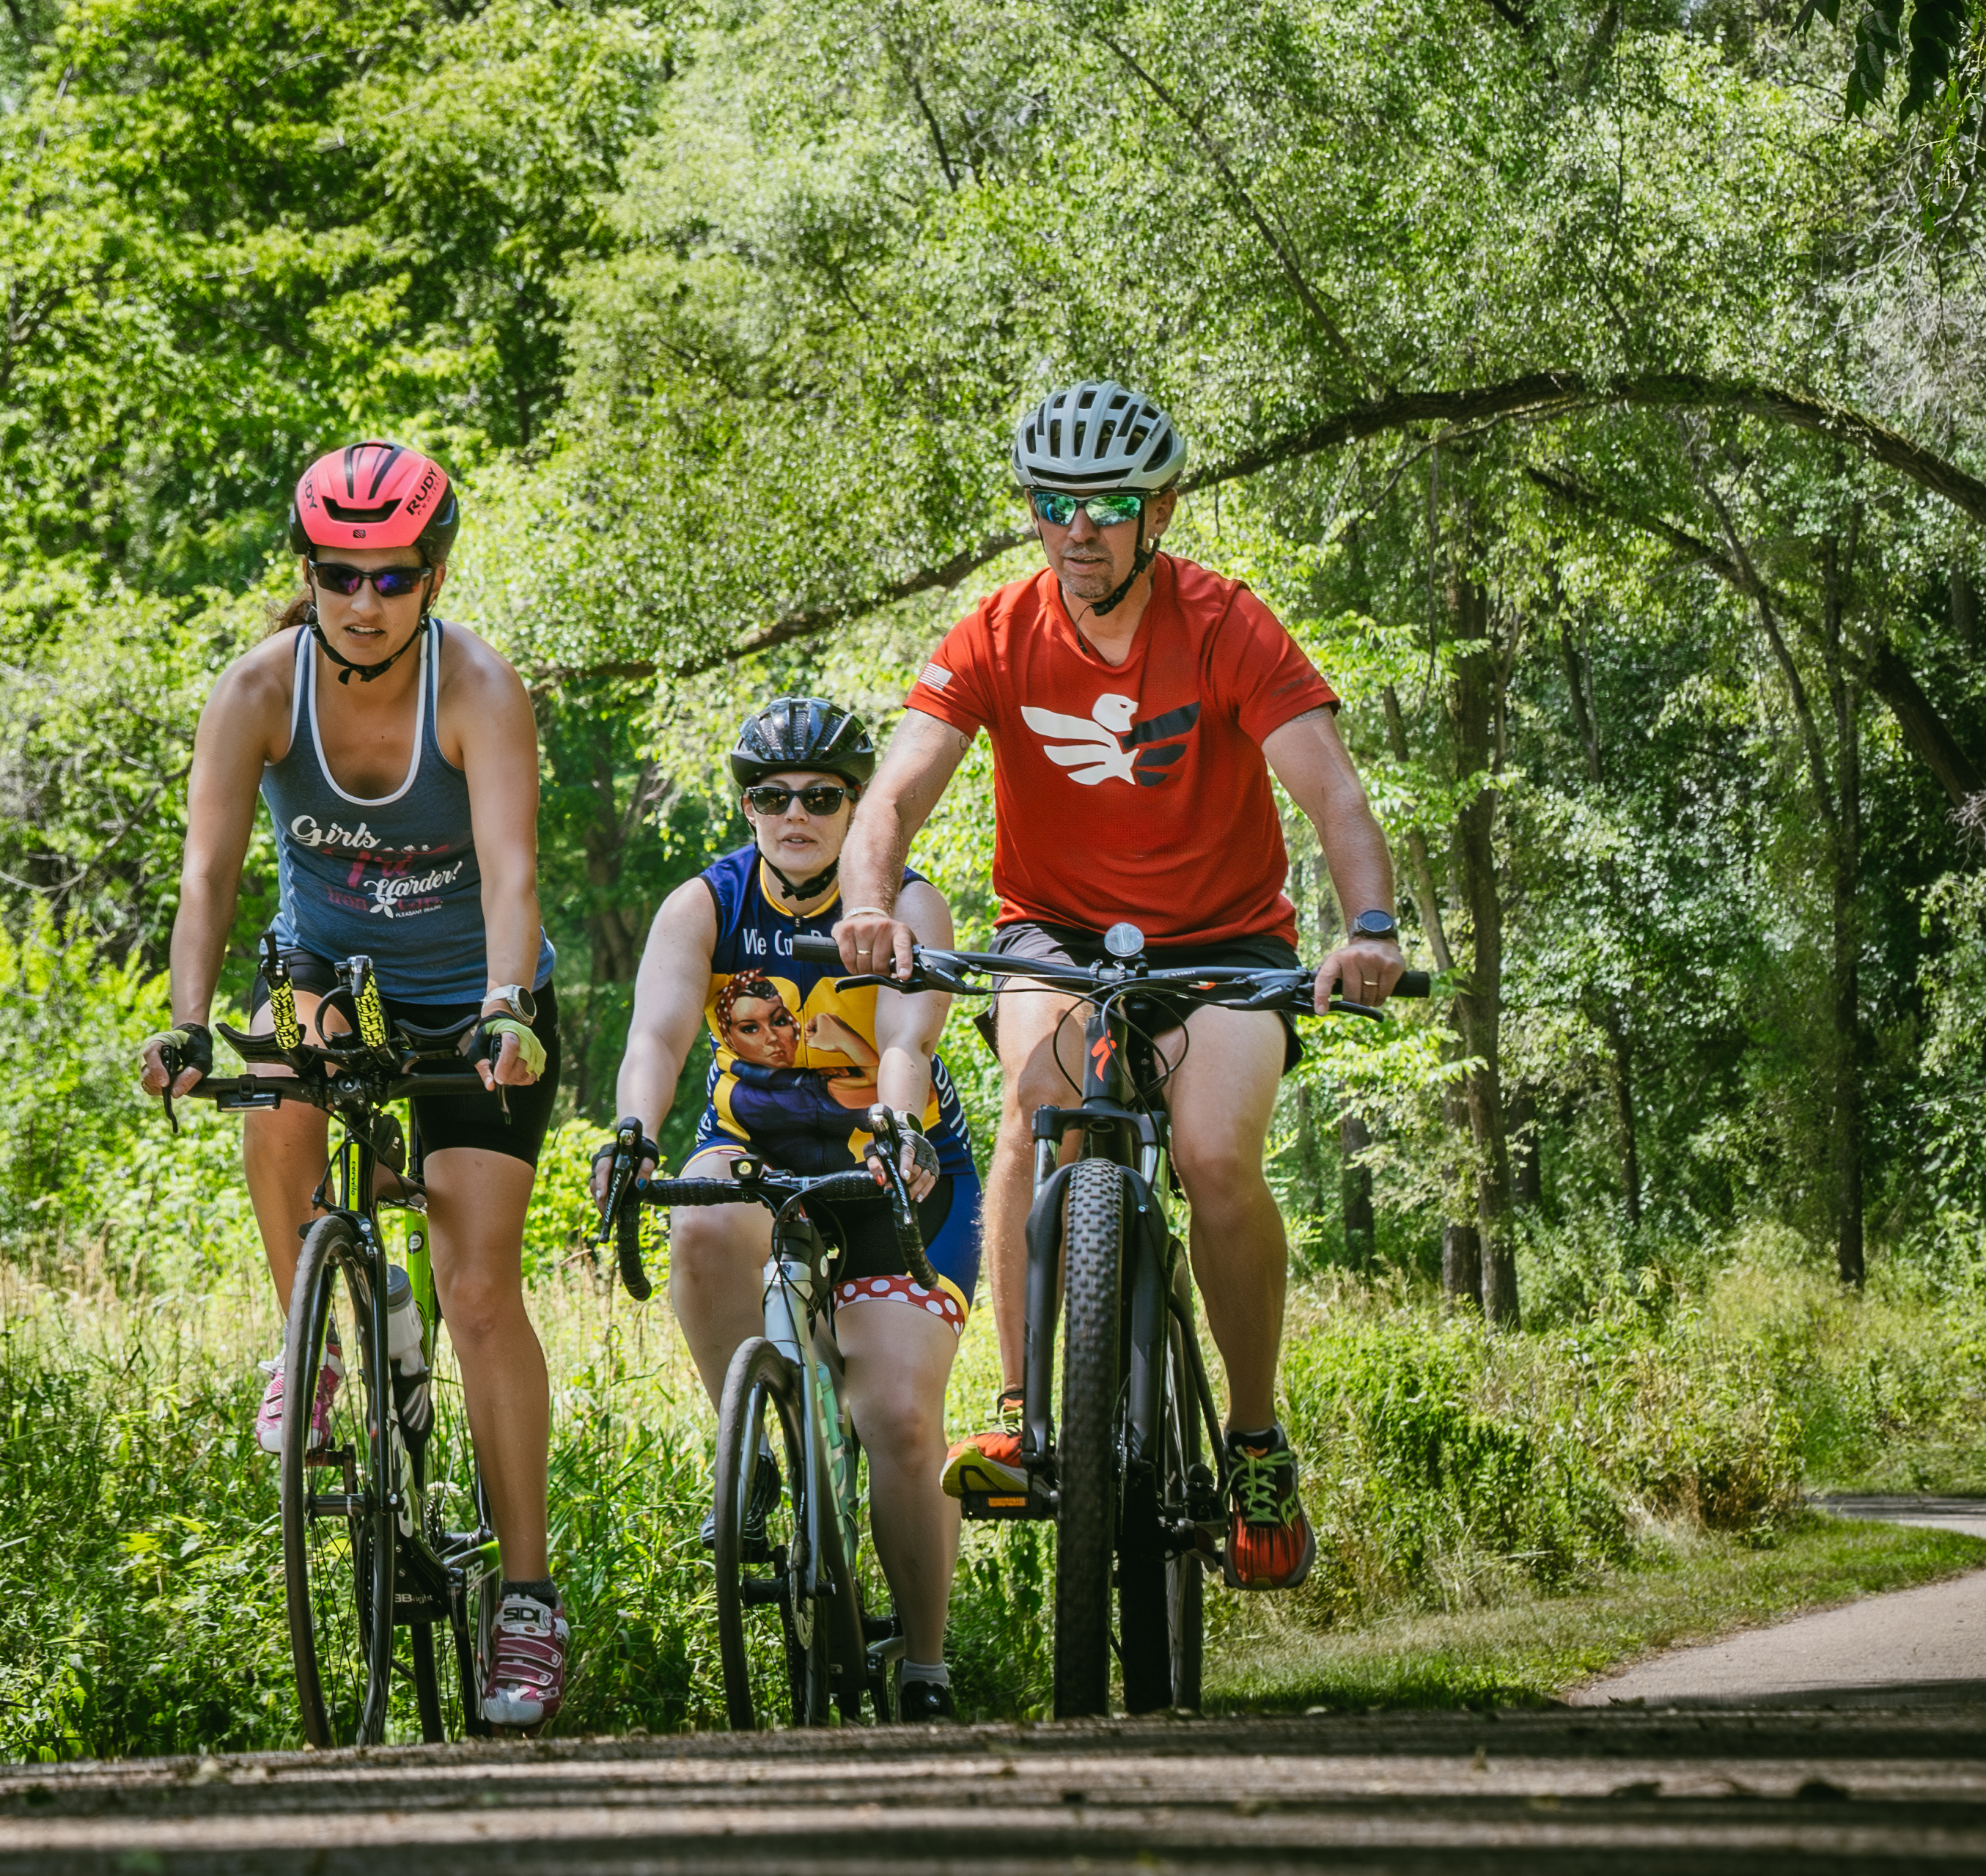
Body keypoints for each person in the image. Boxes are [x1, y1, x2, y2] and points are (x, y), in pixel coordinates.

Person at [829, 381, 1404, 1590]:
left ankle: (1253, 1443)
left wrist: (1369, 927)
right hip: (1057, 931)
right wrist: (869, 905)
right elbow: (892, 794)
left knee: (1212, 1156)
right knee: (1035, 1107)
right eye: (1053, 504)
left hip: (1228, 942)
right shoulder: (995, 630)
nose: (1077, 528)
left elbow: (1334, 796)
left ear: (1159, 509)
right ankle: (1024, 1414)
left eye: (1106, 505)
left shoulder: (1227, 624)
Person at [138, 439, 575, 1729]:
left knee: (478, 1285)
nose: (364, 601)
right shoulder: (259, 691)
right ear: (310, 573)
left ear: (433, 575)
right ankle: (317, 1346)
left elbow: (510, 872)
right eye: (340, 574)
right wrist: (183, 1025)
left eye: (392, 576)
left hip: (471, 995)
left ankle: (528, 1608)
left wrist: (507, 1013)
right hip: (327, 975)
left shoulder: (479, 686)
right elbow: (209, 878)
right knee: (275, 1080)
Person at [593, 697, 978, 1724]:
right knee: (706, 1219)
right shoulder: (705, 903)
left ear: (856, 805)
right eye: (771, 797)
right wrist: (633, 1133)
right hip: (757, 1149)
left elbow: (906, 1043)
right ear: (749, 807)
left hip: (895, 1164)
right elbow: (659, 1039)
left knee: (895, 1415)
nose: (794, 814)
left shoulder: (907, 902)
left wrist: (897, 1134)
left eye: (820, 796)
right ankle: (755, 1445)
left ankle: (924, 1665)